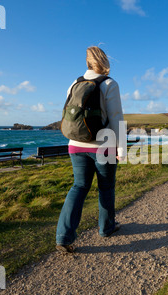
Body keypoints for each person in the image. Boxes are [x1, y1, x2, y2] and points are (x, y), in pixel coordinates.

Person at [56, 46, 125, 253]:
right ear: (105, 61)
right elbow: (116, 119)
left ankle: (63, 236)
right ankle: (106, 228)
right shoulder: (110, 84)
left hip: (75, 145)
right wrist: (121, 150)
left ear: (87, 62)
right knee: (106, 187)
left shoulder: (74, 83)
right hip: (103, 147)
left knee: (78, 187)